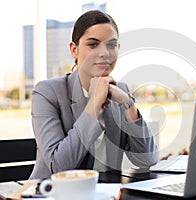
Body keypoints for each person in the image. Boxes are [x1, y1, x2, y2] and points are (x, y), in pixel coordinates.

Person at [29, 10, 158, 179]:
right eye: (93, 44)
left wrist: (127, 103)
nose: (104, 53)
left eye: (111, 45)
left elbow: (146, 159)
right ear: (74, 50)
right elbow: (59, 167)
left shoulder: (121, 91)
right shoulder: (47, 92)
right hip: (52, 194)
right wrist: (94, 103)